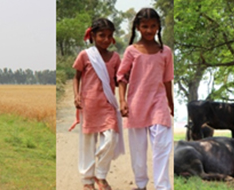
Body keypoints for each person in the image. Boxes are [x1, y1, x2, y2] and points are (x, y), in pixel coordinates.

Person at [117, 8, 174, 190]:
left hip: (159, 104)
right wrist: (123, 101)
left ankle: (162, 186)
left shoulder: (165, 52)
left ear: (158, 27)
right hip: (137, 105)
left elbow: (167, 80)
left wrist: (170, 104)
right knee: (138, 151)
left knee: (162, 147)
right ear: (138, 28)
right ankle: (141, 185)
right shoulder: (131, 51)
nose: (149, 30)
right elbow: (122, 76)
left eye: (153, 26)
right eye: (145, 26)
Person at [70, 18, 123, 190]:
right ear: (92, 35)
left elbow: (119, 79)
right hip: (89, 104)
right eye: (102, 36)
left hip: (108, 105)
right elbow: (76, 77)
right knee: (87, 143)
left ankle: (100, 174)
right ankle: (87, 181)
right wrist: (76, 95)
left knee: (111, 139)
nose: (106, 40)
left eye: (109, 36)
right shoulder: (85, 55)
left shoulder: (115, 58)